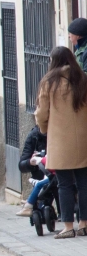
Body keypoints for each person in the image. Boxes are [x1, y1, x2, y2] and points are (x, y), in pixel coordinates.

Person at [34, 46, 87, 239]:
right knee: (84, 183)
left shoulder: (49, 82)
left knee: (64, 184)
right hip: (83, 138)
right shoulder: (82, 78)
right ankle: (84, 223)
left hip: (60, 140)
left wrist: (43, 128)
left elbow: (41, 112)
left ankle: (67, 226)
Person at [15, 124, 49, 217]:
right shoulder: (34, 135)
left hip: (56, 174)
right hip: (40, 174)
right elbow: (21, 165)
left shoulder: (58, 133)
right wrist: (30, 162)